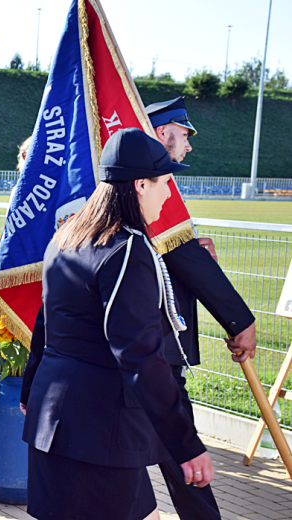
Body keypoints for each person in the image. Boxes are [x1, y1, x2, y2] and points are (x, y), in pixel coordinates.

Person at [20, 128, 213, 520]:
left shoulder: (68, 236)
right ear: (141, 184)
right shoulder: (128, 249)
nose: (168, 193)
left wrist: (29, 388)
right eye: (165, 182)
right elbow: (140, 356)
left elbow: (46, 322)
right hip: (98, 430)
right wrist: (186, 444)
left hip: (54, 419)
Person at [145, 96, 256, 520]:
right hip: (153, 348)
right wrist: (239, 320)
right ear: (161, 134)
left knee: (154, 454)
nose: (188, 146)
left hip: (142, 347)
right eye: (184, 136)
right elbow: (182, 258)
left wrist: (190, 246)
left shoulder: (136, 183)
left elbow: (173, 256)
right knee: (182, 453)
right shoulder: (151, 184)